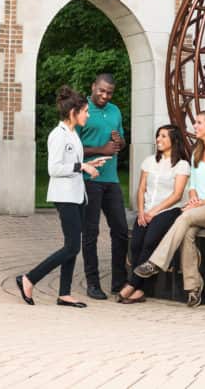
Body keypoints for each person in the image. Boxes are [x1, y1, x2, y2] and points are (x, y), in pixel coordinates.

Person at [132, 109, 205, 307]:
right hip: (197, 208)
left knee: (184, 218)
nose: (194, 126)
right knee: (187, 232)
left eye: (198, 123)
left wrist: (201, 203)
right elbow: (193, 186)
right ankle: (193, 288)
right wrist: (194, 198)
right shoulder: (197, 152)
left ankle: (155, 263)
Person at [16, 86, 106, 308]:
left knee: (71, 244)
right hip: (64, 196)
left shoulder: (73, 134)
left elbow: (72, 165)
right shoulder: (57, 135)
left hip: (77, 195)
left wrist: (87, 165)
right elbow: (53, 169)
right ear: (73, 112)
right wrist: (82, 166)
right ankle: (29, 279)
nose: (88, 114)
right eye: (85, 111)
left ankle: (64, 293)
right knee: (72, 247)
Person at [116, 125, 191, 304]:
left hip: (168, 210)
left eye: (163, 136)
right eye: (158, 136)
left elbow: (177, 195)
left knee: (149, 242)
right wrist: (142, 211)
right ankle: (139, 289)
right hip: (146, 210)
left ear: (174, 140)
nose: (158, 139)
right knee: (135, 245)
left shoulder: (182, 165)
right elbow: (141, 189)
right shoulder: (149, 161)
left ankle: (132, 285)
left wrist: (153, 212)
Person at [78, 73, 129, 300]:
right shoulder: (82, 110)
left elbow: (122, 142)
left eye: (109, 92)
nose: (105, 96)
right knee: (91, 233)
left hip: (112, 180)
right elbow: (74, 148)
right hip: (90, 180)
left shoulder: (115, 111)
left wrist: (120, 142)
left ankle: (118, 282)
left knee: (120, 231)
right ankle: (93, 283)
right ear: (93, 87)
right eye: (101, 91)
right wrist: (101, 150)